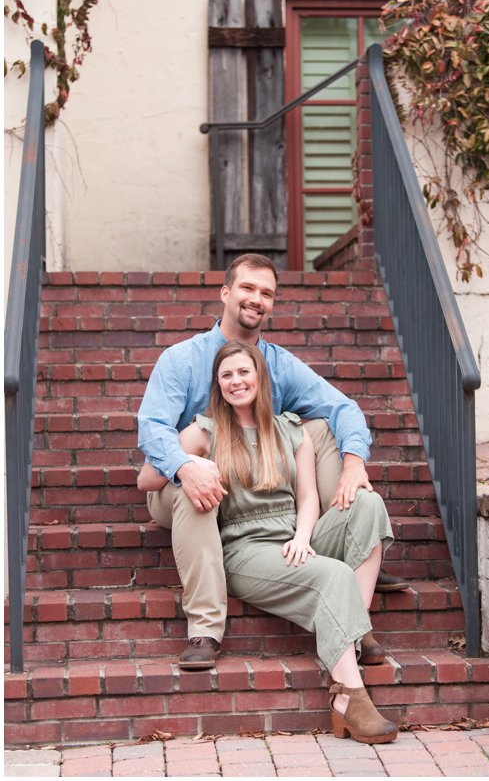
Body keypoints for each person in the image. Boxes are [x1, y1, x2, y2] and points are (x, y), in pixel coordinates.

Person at [137, 253, 407, 672]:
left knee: (321, 428)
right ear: (226, 293)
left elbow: (343, 407)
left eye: (266, 293)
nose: (256, 299)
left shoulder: (277, 365)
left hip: (258, 491)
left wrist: (355, 461)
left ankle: (340, 556)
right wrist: (185, 466)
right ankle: (206, 628)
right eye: (247, 288)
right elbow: (152, 428)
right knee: (195, 487)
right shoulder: (183, 359)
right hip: (181, 479)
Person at [138, 340, 399, 744]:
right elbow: (146, 480)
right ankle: (349, 698)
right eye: (226, 375)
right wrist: (188, 465)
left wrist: (301, 536)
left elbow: (309, 497)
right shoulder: (203, 431)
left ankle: (356, 626)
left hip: (293, 535)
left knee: (368, 503)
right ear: (218, 385)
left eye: (244, 372)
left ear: (260, 378)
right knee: (331, 576)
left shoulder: (292, 428)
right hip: (246, 548)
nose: (235, 381)